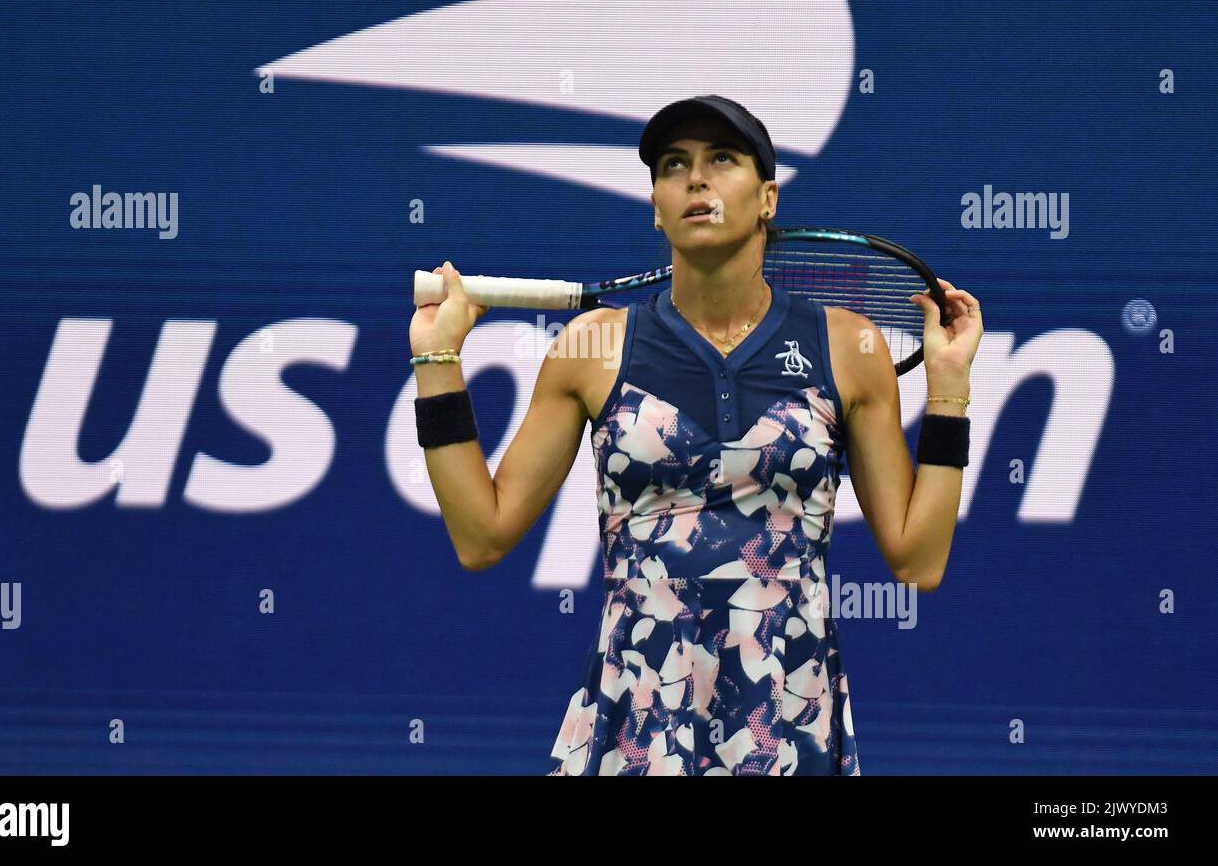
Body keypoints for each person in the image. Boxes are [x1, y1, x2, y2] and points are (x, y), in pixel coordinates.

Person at [408, 95, 983, 775]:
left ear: (768, 198)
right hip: (635, 725)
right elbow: (482, 535)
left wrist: (948, 388)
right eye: (673, 165)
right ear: (656, 205)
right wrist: (436, 361)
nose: (696, 179)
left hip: (787, 728)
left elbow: (920, 559)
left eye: (723, 159)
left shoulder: (848, 346)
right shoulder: (592, 348)